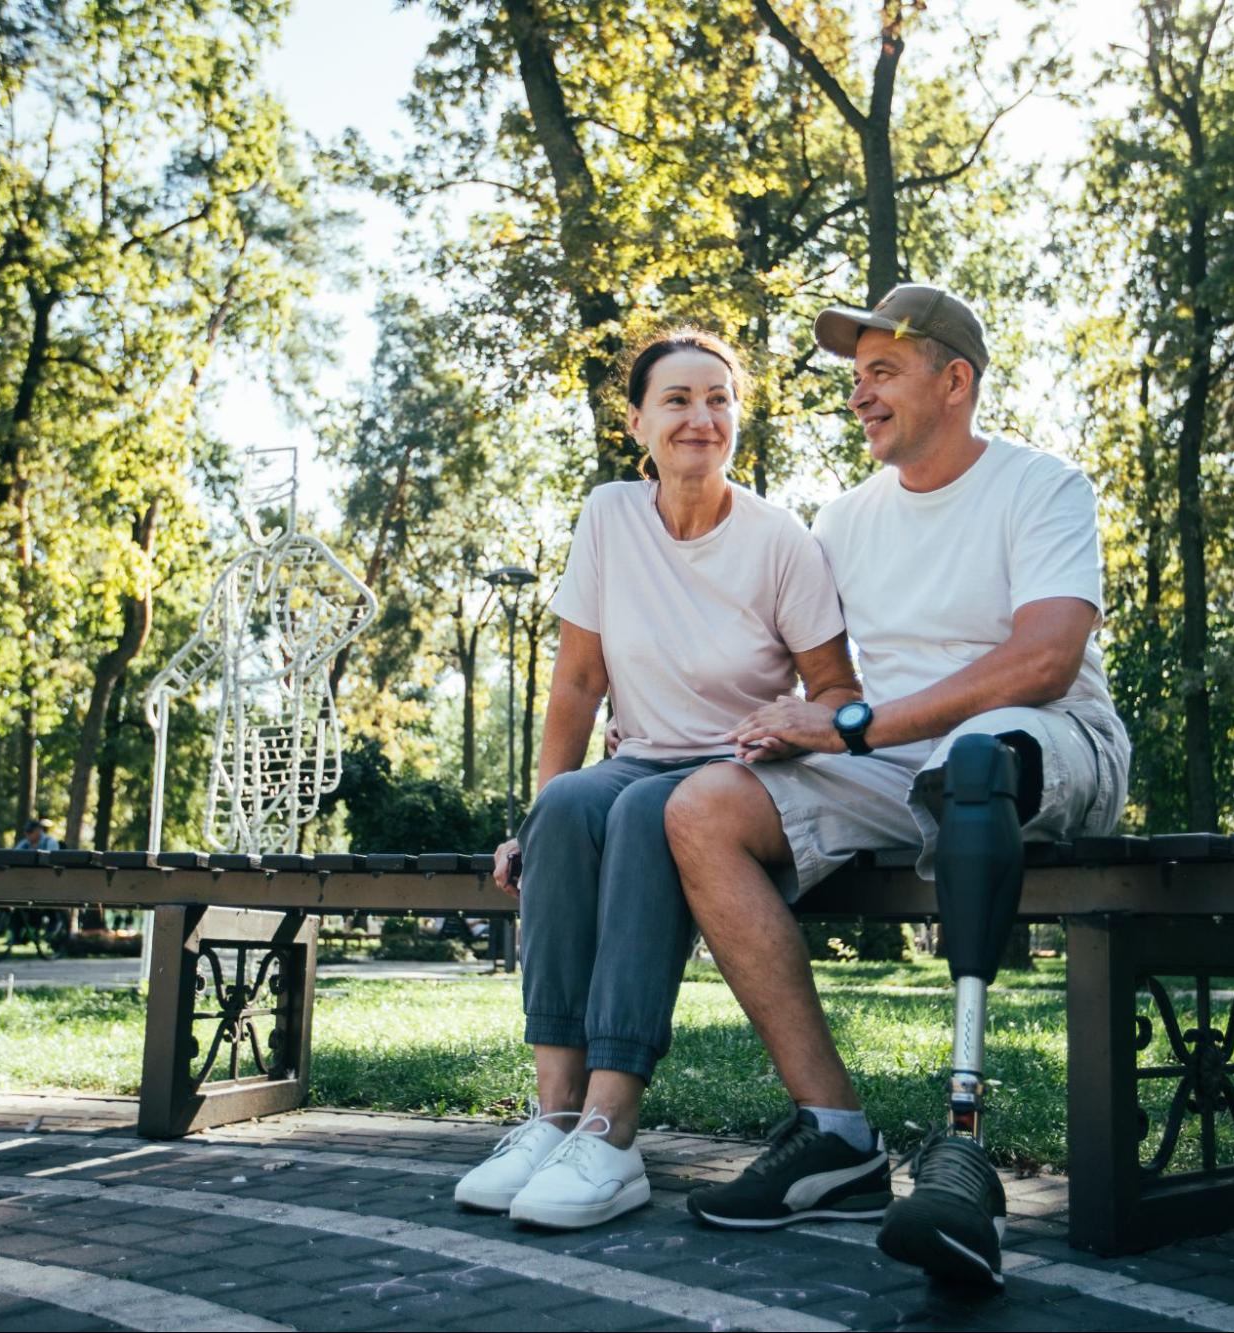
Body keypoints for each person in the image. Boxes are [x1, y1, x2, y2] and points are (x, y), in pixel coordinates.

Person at [662, 284, 1130, 1285]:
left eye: (883, 372)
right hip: (895, 757)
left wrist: (857, 723)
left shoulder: (1042, 485)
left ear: (954, 381)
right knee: (701, 807)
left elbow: (1043, 659)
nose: (859, 396)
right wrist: (710, 720)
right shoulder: (842, 519)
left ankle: (963, 1136)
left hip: (1047, 743)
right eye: (855, 376)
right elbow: (791, 671)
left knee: (972, 755)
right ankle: (834, 1136)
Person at [454, 327, 861, 1230]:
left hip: (728, 771)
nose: (699, 416)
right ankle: (554, 1112)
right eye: (677, 399)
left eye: (718, 398)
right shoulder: (608, 515)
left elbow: (835, 693)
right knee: (565, 803)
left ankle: (610, 1126)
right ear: (636, 420)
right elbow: (578, 682)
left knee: (649, 810)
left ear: (737, 419)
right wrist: (526, 819)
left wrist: (788, 732)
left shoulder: (780, 542)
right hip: (633, 754)